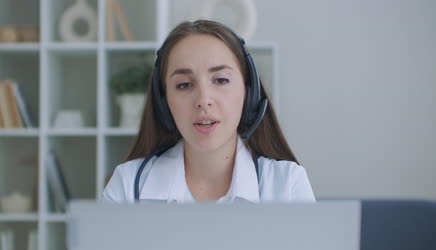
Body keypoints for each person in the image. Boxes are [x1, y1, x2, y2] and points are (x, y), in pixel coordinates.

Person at [103, 20, 315, 203]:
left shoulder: (288, 186)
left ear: (249, 93)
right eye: (184, 84)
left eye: (221, 80)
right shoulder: (127, 187)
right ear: (163, 101)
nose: (204, 100)